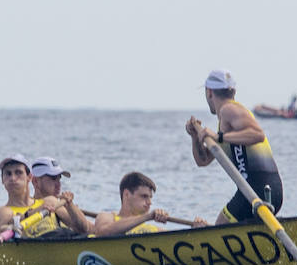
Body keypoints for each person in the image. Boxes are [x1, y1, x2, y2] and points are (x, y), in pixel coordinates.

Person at [185, 69, 284, 225]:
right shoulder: (226, 124)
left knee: (219, 229)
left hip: (257, 189)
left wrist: (219, 137)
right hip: (262, 190)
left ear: (209, 92)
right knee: (223, 229)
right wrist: (194, 137)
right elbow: (202, 161)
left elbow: (257, 134)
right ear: (234, 91)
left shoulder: (229, 110)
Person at [0, 154, 78, 238]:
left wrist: (71, 207)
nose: (13, 178)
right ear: (2, 179)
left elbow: (78, 226)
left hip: (60, 240)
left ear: (29, 177)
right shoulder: (3, 212)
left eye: (18, 173)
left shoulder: (49, 201)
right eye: (8, 174)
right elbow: (3, 229)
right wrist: (37, 210)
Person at [92, 172, 208, 235]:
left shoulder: (153, 229)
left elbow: (179, 241)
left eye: (150, 198)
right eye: (144, 196)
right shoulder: (107, 217)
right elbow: (103, 232)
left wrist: (197, 231)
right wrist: (147, 216)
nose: (149, 202)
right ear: (126, 194)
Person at [28, 157, 90, 236]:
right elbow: (85, 229)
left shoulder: (62, 206)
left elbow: (85, 229)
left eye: (59, 179)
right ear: (36, 181)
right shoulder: (26, 206)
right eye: (53, 179)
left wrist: (71, 206)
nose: (59, 185)